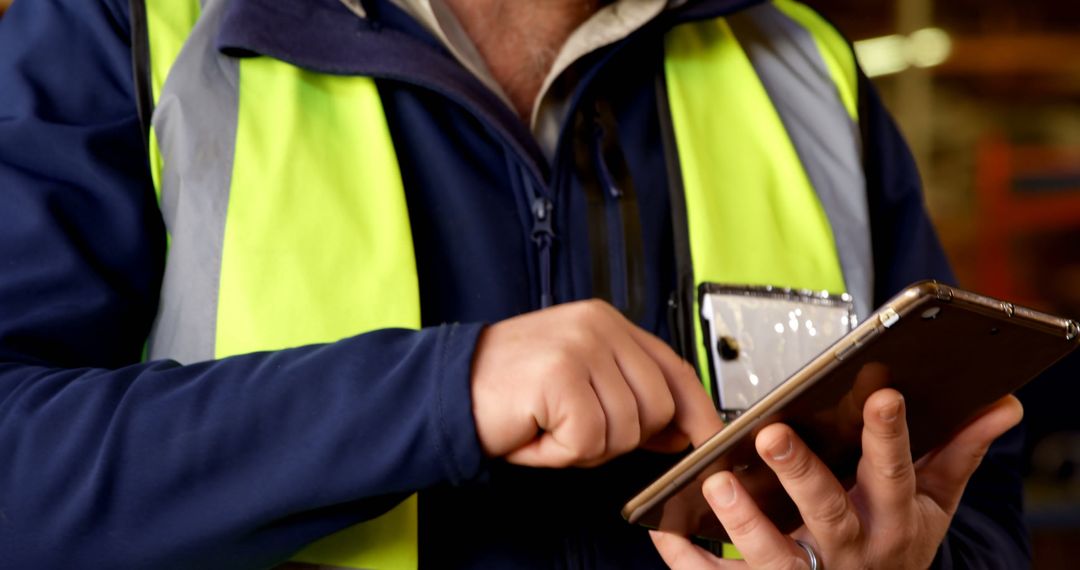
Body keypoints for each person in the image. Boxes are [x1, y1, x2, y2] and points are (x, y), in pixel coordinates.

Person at [0, 0, 1027, 568]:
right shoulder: (127, 31)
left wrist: (900, 566)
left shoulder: (800, 65)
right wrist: (447, 389)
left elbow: (977, 521)